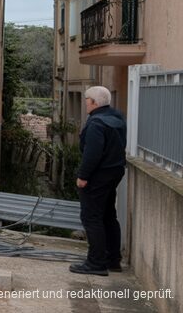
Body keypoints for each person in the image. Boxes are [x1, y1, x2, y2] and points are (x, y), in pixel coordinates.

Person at [70, 85, 126, 276]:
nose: (85, 103)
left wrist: (83, 176)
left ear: (93, 102)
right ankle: (113, 260)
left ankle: (96, 263)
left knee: (91, 217)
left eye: (86, 100)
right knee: (108, 215)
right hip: (115, 172)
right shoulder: (117, 119)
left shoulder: (96, 123)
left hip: (98, 176)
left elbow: (92, 153)